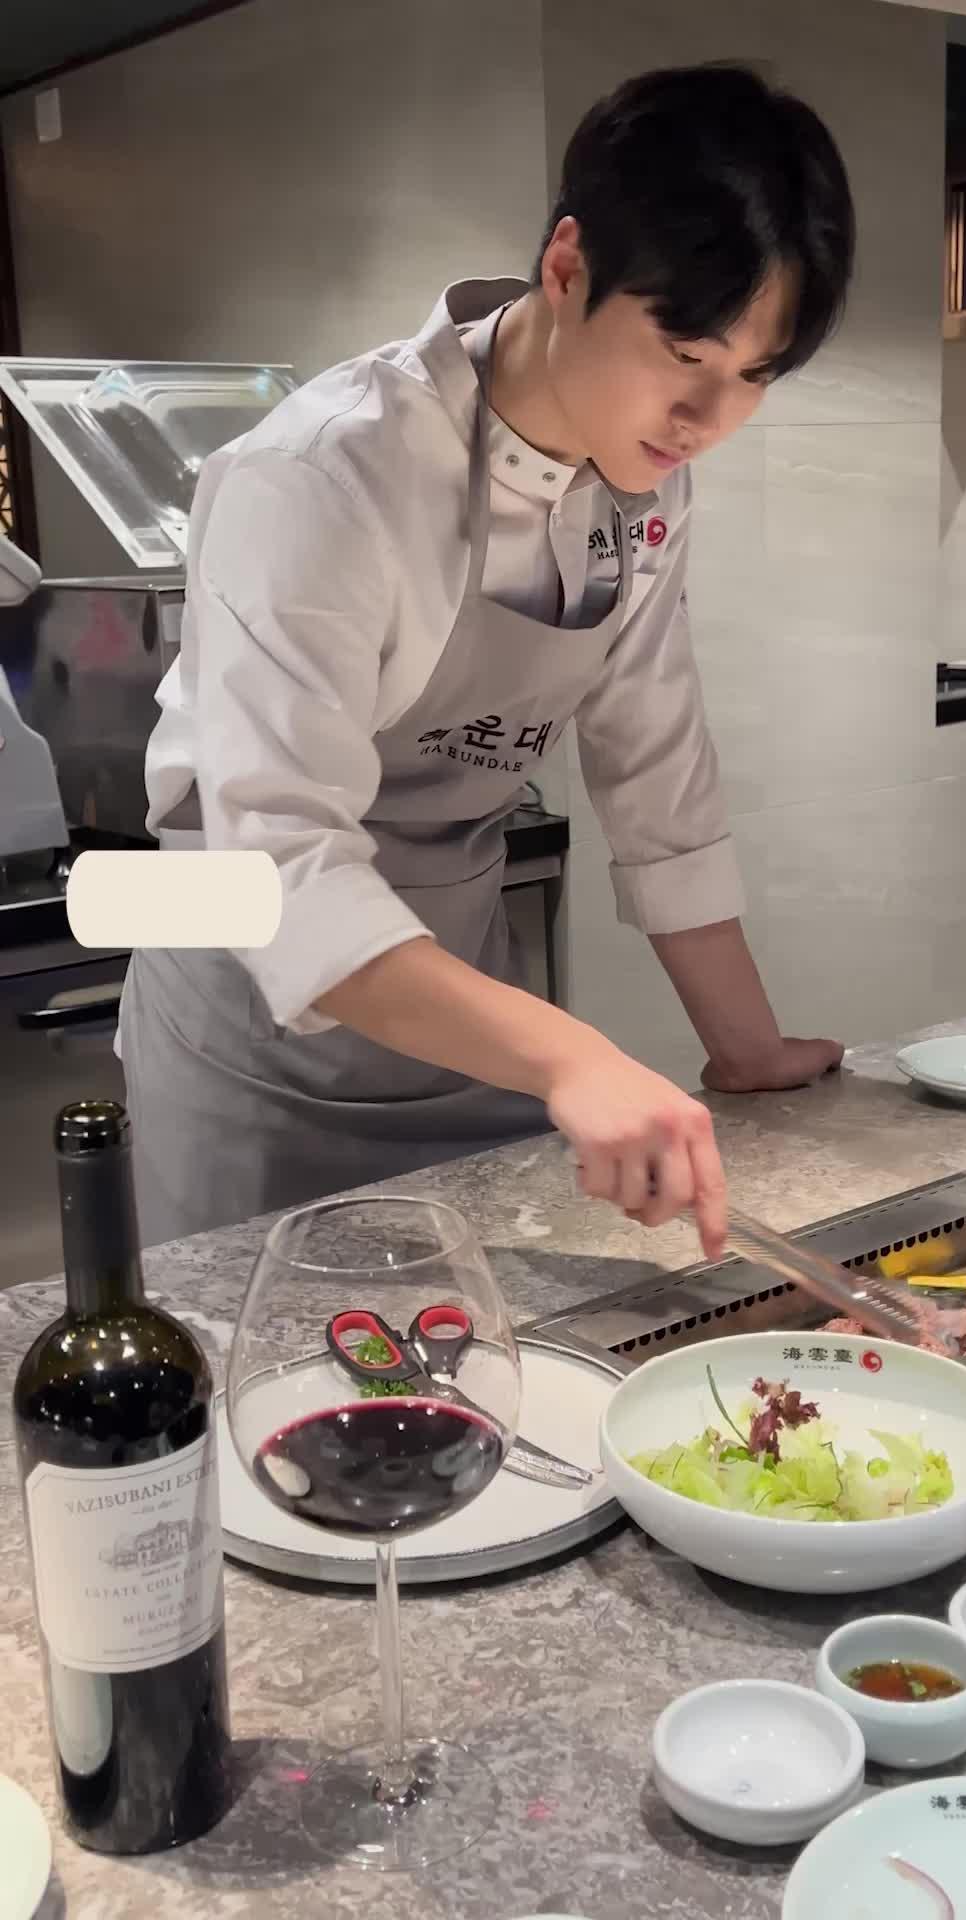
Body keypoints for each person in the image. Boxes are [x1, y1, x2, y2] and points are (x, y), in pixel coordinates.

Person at [119, 61, 855, 1256]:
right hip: (253, 1047)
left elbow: (658, 777)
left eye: (751, 380)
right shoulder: (321, 477)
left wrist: (747, 1051)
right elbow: (278, 872)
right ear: (567, 267)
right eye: (685, 354)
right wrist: (571, 1054)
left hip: (461, 1028)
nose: (705, 420)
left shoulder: (645, 486)